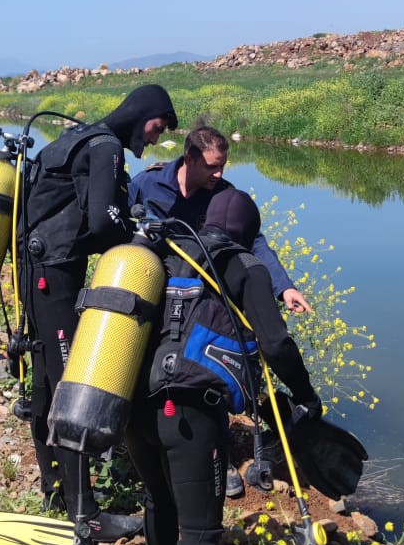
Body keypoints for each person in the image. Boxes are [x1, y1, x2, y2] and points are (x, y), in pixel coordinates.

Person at [125, 186, 322, 545]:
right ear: (249, 234)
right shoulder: (243, 266)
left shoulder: (167, 253)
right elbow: (275, 342)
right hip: (190, 413)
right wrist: (306, 395)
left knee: (159, 502)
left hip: (135, 407)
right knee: (203, 531)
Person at [19, 83, 177, 539]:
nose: (154, 136)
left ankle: (55, 488)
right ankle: (85, 515)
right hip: (55, 274)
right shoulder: (107, 148)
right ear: (142, 113)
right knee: (74, 383)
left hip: (36, 266)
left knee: (48, 378)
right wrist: (142, 234)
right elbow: (104, 224)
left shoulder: (83, 137)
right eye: (157, 125)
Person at [128, 125, 313, 497]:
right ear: (189, 158)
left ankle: (219, 455)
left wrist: (283, 286)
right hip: (156, 289)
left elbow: (253, 241)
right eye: (212, 167)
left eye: (223, 166)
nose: (220, 175)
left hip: (204, 300)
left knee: (208, 366)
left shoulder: (222, 196)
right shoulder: (147, 185)